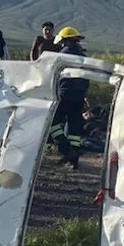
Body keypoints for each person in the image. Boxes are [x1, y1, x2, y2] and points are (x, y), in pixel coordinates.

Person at [50, 26, 89, 168]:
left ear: (65, 41)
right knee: (74, 128)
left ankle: (66, 150)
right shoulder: (84, 56)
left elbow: (54, 76)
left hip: (64, 94)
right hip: (79, 96)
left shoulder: (62, 55)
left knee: (52, 123)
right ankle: (74, 161)